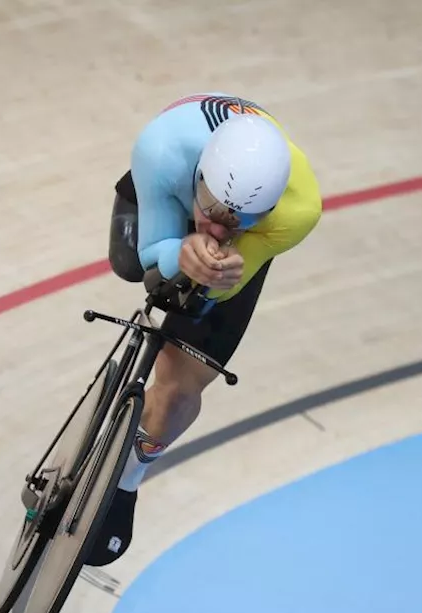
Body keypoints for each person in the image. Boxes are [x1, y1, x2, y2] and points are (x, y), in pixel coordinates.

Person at [86, 93, 323, 567]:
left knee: (179, 390)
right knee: (134, 268)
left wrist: (212, 272)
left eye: (239, 220)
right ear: (200, 177)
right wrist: (178, 252)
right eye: (214, 212)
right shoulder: (163, 152)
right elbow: (155, 261)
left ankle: (128, 476)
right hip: (167, 187)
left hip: (241, 231)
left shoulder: (296, 212)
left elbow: (212, 291)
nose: (219, 229)